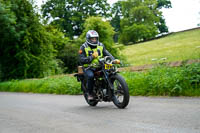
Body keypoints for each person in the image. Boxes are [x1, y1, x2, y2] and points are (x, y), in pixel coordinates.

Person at [79, 30, 119, 100]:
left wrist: (114, 60)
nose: (94, 40)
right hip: (88, 67)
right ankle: (90, 93)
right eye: (92, 39)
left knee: (109, 72)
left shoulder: (100, 45)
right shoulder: (83, 47)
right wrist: (92, 57)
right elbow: (81, 60)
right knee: (91, 76)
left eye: (95, 38)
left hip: (100, 66)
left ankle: (107, 90)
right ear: (88, 39)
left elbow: (107, 53)